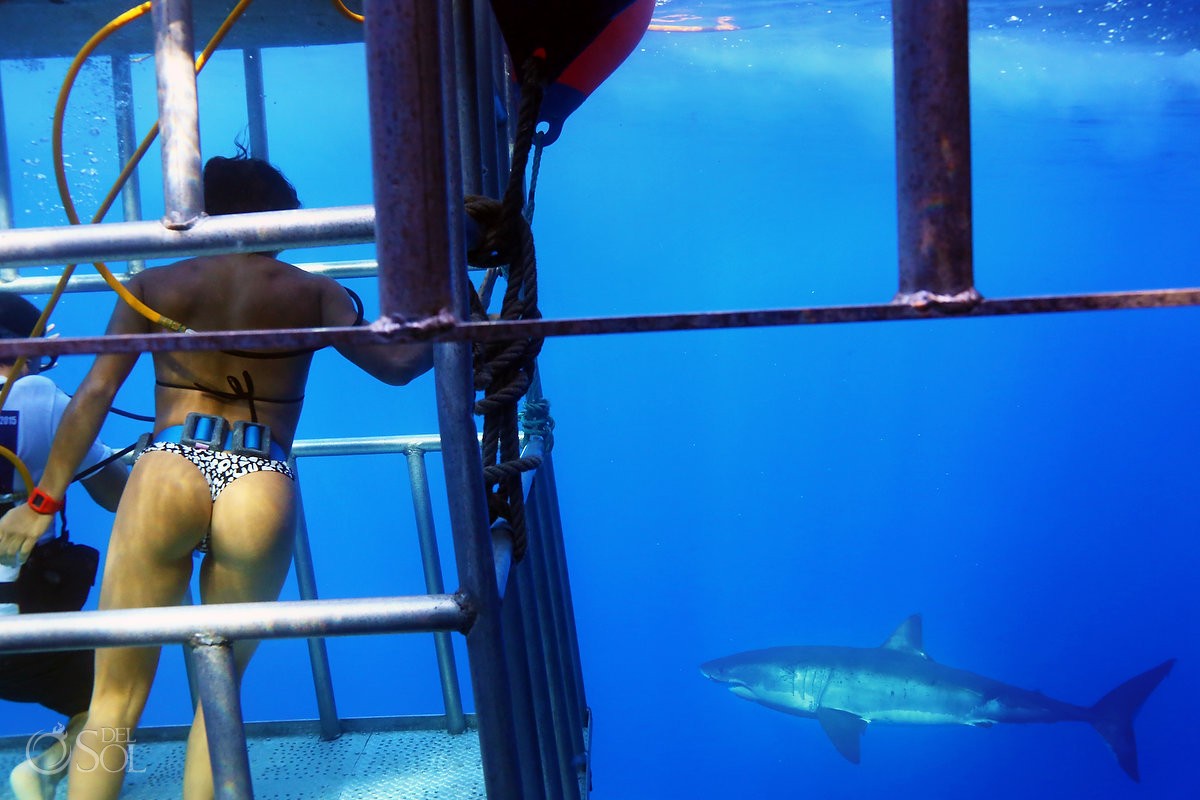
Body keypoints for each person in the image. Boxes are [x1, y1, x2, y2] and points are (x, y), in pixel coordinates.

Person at [0, 153, 433, 800]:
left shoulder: (157, 285)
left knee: (114, 697)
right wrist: (453, 291)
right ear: (282, 218)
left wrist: (41, 499)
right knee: (218, 698)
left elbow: (93, 394)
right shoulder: (317, 293)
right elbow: (400, 363)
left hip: (171, 464)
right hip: (261, 473)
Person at [0, 294, 128, 800]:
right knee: (111, 697)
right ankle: (48, 769)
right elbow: (114, 492)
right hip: (26, 611)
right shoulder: (42, 398)